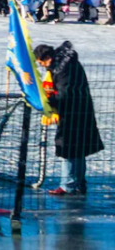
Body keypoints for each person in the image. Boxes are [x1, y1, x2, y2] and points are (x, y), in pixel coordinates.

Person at [35, 42, 104, 195]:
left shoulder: (62, 69)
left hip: (72, 111)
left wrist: (48, 102)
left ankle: (68, 184)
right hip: (79, 110)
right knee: (78, 148)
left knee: (68, 147)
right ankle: (78, 183)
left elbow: (64, 92)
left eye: (41, 63)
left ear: (47, 58)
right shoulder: (65, 64)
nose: (42, 67)